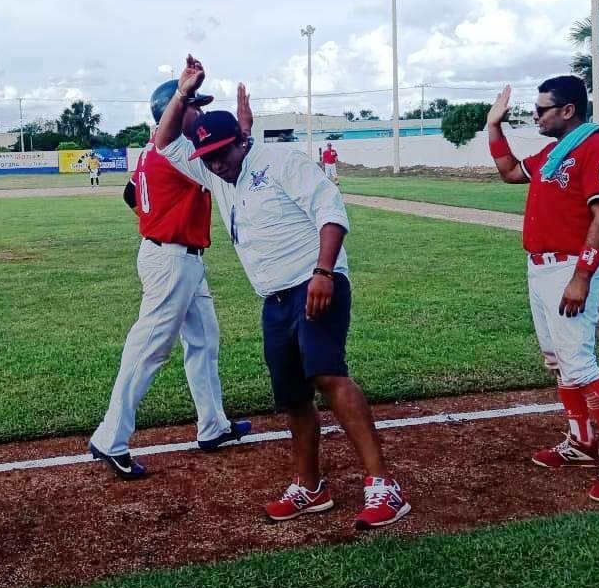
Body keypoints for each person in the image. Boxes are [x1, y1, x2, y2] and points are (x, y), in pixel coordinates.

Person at [157, 55, 411, 530]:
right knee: (293, 396)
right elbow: (163, 141)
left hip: (314, 285)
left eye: (222, 155)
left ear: (242, 142)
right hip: (273, 299)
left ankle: (383, 487)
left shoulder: (279, 161)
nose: (216, 165)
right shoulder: (216, 173)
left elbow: (331, 212)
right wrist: (182, 93)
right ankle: (310, 487)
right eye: (208, 158)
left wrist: (324, 272)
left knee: (329, 377)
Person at [486, 76, 599, 503]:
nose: (535, 115)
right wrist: (493, 127)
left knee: (580, 363)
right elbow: (510, 172)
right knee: (558, 360)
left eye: (542, 109)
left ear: (568, 110)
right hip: (540, 268)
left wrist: (581, 277)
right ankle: (581, 441)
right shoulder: (556, 153)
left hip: (570, 269)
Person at [88, 78, 251, 479]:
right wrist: (244, 132)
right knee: (150, 348)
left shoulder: (151, 151)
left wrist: (160, 215)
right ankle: (110, 437)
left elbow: (131, 196)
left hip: (175, 255)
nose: (201, 114)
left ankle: (213, 425)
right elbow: (231, 169)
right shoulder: (176, 153)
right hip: (172, 259)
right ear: (174, 113)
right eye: (195, 107)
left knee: (204, 340)